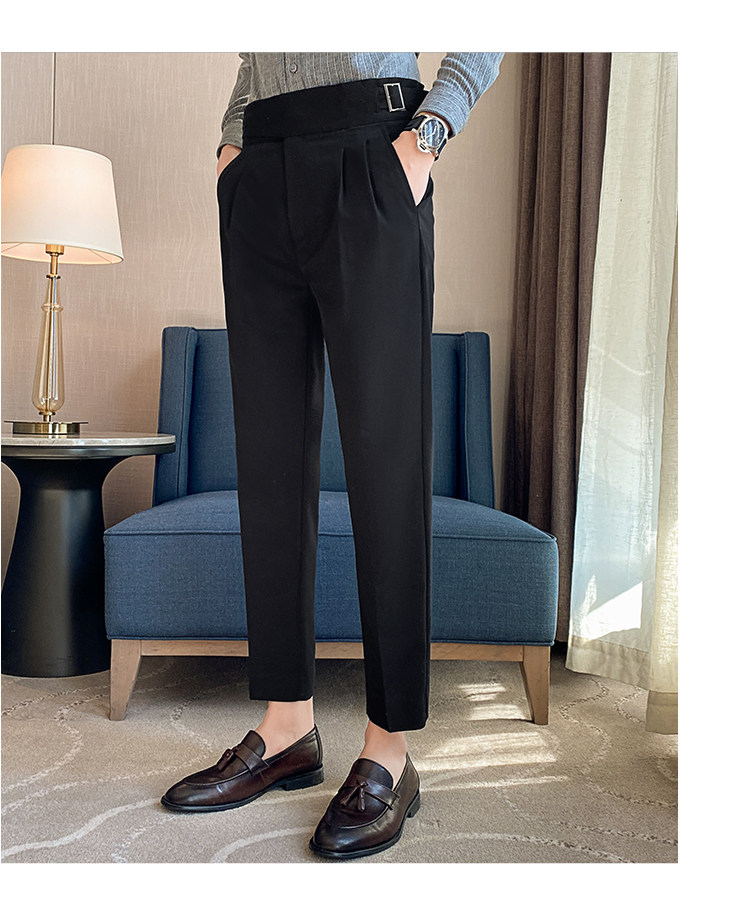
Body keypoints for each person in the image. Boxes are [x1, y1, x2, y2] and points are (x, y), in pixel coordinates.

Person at [161, 52, 504, 859]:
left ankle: (390, 748)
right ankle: (287, 727)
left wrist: (427, 133)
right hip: (261, 167)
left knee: (387, 459)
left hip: (373, 148)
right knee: (269, 461)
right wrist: (232, 150)